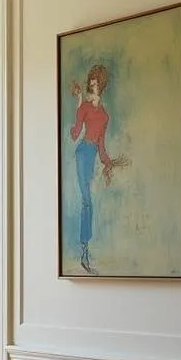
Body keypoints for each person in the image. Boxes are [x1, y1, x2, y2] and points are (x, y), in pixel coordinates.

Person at [69, 64, 129, 274]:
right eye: (91, 79)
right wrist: (78, 102)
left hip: (93, 154)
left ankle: (85, 249)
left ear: (101, 83)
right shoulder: (85, 107)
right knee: (87, 201)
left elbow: (101, 147)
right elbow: (75, 134)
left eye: (96, 79)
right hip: (82, 153)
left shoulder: (104, 115)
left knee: (88, 202)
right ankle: (84, 250)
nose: (92, 82)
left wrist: (109, 162)